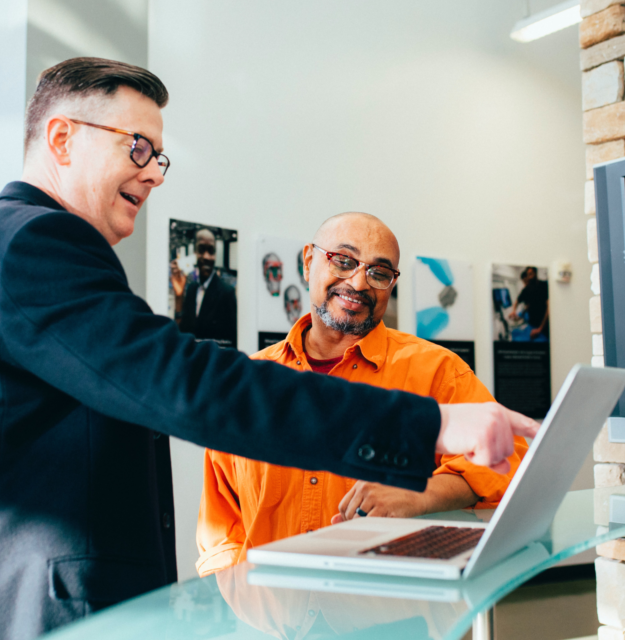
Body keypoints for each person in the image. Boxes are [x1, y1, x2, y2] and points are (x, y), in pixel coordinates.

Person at [0, 57, 539, 640]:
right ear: (61, 139)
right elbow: (186, 385)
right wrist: (433, 425)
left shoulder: (13, 245)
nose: (152, 172)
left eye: (159, 157)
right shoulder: (35, 244)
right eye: (137, 147)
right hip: (13, 621)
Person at [196, 213, 527, 576]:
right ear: (309, 262)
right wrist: (239, 608)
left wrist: (419, 494)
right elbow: (220, 528)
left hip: (388, 616)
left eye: (379, 272)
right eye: (343, 260)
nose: (358, 282)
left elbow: (510, 458)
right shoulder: (250, 382)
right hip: (270, 620)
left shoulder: (437, 371)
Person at [170, 228, 237, 347]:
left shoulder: (227, 293)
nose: (206, 257)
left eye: (211, 251)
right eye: (201, 250)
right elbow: (183, 333)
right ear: (195, 252)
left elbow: (231, 343)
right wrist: (179, 297)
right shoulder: (191, 289)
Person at [512, 266, 550, 341]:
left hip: (543, 327)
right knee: (515, 333)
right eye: (524, 282)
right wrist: (514, 311)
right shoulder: (526, 290)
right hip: (531, 325)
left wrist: (540, 328)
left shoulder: (543, 286)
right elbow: (518, 301)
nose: (526, 283)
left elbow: (549, 307)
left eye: (531, 274)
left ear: (535, 273)